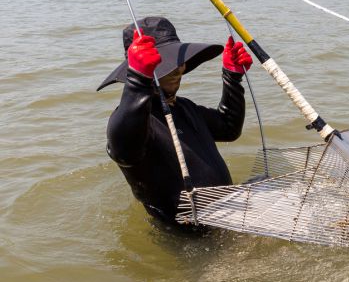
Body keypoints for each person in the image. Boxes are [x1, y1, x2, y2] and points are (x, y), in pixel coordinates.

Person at [97, 16, 253, 226]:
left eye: (177, 62)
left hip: (225, 215)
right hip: (185, 235)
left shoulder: (183, 107)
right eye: (164, 62)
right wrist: (137, 80)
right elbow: (123, 150)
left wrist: (232, 78)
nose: (177, 69)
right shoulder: (136, 121)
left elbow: (228, 128)